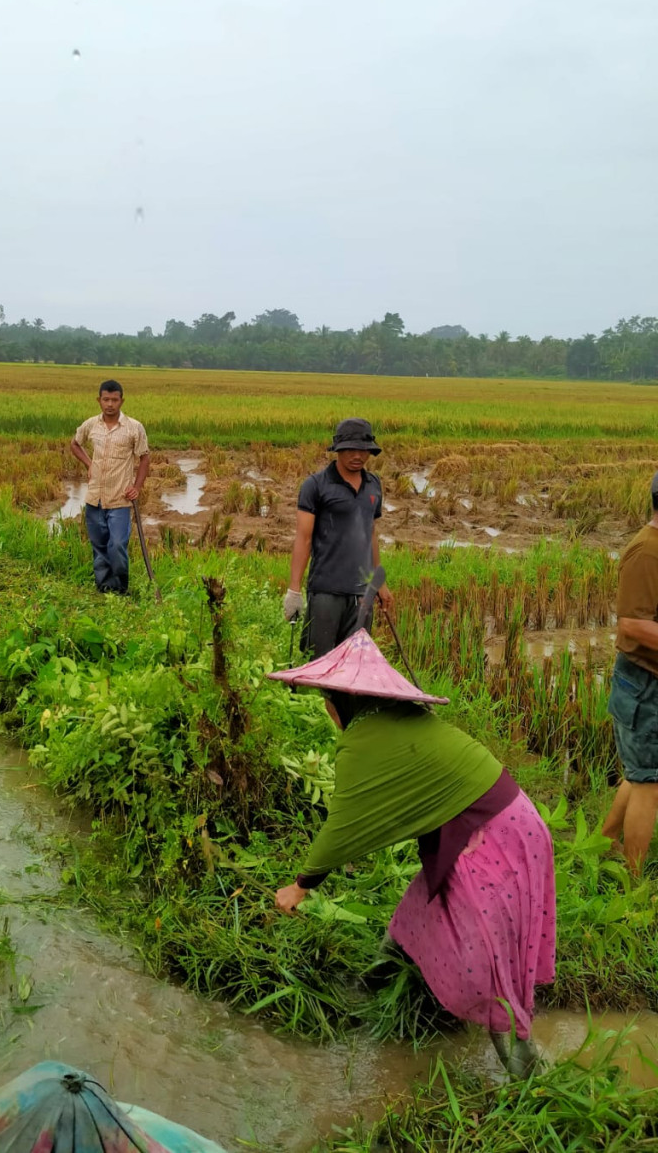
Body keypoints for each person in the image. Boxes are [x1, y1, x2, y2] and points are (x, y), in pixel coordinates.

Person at [270, 629, 555, 1077]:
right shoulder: (401, 719)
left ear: (343, 702)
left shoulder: (364, 741)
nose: (328, 709)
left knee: (488, 962)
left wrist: (300, 886)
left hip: (493, 837)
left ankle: (529, 1075)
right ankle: (372, 989)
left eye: (328, 699)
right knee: (416, 915)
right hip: (508, 825)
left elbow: (344, 824)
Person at [283, 417, 393, 657]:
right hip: (326, 591)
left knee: (354, 662)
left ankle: (344, 698)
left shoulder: (374, 484)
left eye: (364, 450)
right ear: (338, 450)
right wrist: (294, 590)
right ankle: (317, 697)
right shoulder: (316, 486)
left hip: (362, 594)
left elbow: (371, 532)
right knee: (319, 660)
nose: (358, 456)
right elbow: (303, 539)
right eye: (351, 449)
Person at [601, 470, 658, 875]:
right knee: (650, 786)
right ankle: (633, 886)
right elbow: (632, 624)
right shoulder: (647, 553)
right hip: (643, 682)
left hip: (649, 679)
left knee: (642, 775)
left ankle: (603, 845)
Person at [69, 379, 150, 595]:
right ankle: (103, 588)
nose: (110, 404)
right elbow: (75, 444)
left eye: (114, 400)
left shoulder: (134, 428)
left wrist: (137, 487)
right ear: (99, 400)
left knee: (116, 545)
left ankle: (121, 588)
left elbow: (144, 458)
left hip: (120, 499)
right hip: (94, 497)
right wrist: (90, 464)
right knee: (99, 546)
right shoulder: (91, 425)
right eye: (106, 399)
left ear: (121, 401)